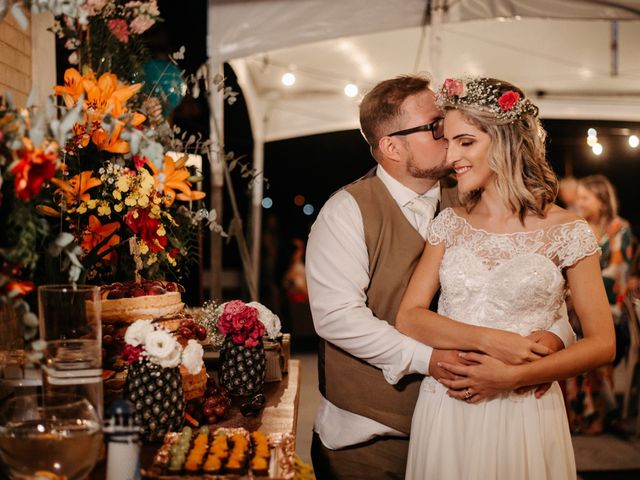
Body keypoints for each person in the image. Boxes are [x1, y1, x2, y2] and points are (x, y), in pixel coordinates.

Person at [305, 75, 576, 480]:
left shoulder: (474, 194)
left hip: (476, 429)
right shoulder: (346, 211)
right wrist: (430, 360)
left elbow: (538, 284)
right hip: (370, 437)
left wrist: (556, 338)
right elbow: (337, 317)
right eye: (435, 128)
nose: (448, 134)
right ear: (392, 147)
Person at [396, 77, 615, 479]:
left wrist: (512, 375)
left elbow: (603, 344)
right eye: (449, 143)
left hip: (523, 408)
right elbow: (409, 316)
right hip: (448, 406)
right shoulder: (450, 224)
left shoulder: (568, 230)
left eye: (465, 142)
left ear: (504, 141)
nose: (451, 158)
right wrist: (493, 342)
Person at [564, 174, 635, 434]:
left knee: (587, 335)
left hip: (613, 311)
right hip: (579, 310)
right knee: (571, 334)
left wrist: (577, 293)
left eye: (585, 198)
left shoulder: (619, 229)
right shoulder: (578, 228)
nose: (578, 203)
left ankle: (595, 414)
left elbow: (616, 273)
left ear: (602, 201)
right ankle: (587, 412)